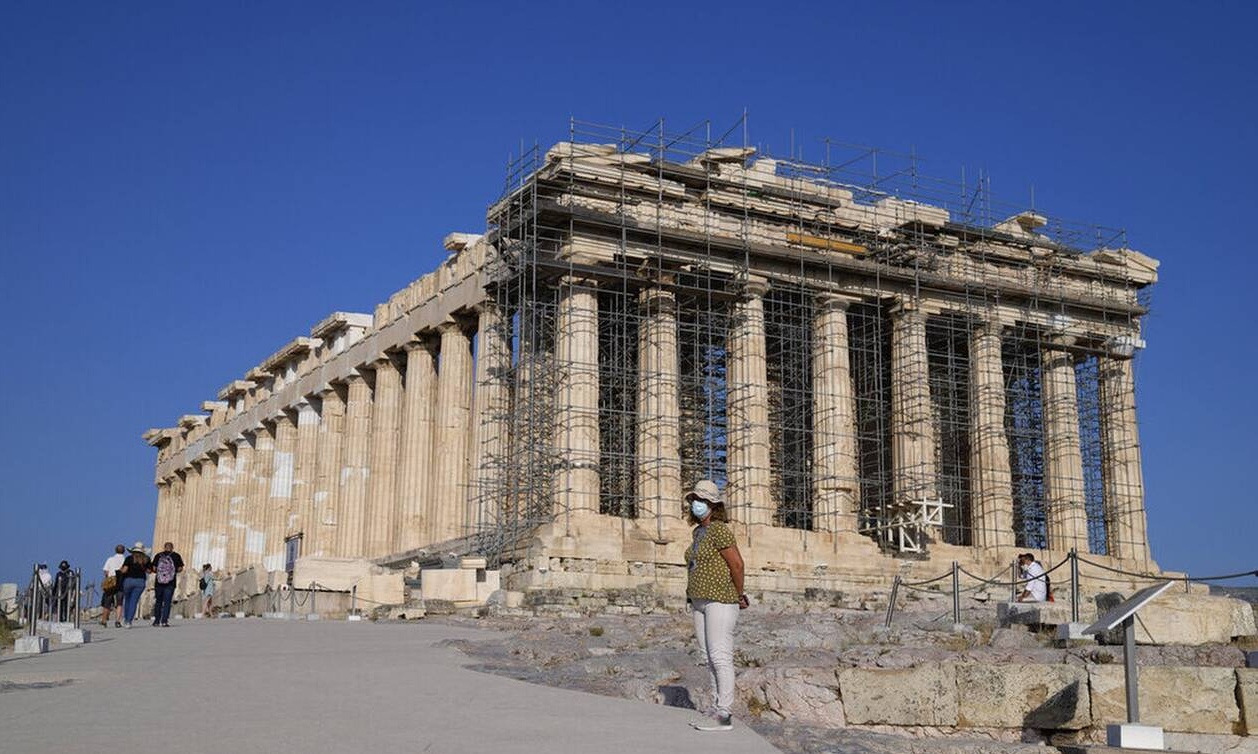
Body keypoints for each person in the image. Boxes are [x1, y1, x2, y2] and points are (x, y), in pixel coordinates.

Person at [683, 479, 748, 732]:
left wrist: (739, 593)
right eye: (694, 500)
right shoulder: (698, 532)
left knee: (721, 656)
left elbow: (737, 565)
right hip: (699, 600)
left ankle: (725, 714)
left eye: (702, 500)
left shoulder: (720, 529)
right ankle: (716, 706)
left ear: (713, 505)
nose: (696, 504)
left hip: (721, 599)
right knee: (707, 656)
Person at [150, 541, 184, 627]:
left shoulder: (158, 556)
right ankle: (164, 621)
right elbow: (180, 568)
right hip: (170, 583)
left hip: (159, 583)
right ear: (172, 548)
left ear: (164, 547)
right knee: (167, 602)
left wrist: (160, 573)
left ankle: (156, 621)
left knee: (158, 602)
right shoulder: (176, 556)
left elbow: (153, 568)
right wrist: (172, 572)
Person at [118, 543, 151, 628]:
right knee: (134, 601)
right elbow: (149, 571)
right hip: (140, 581)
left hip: (128, 581)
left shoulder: (129, 558)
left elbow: (124, 570)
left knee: (127, 600)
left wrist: (120, 570)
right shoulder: (146, 559)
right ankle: (129, 621)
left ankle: (125, 619)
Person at [101, 544, 126, 627]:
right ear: (124, 551)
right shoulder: (125, 560)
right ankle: (117, 621)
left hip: (111, 581)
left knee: (107, 602)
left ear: (115, 550)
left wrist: (108, 578)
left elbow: (105, 571)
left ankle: (104, 620)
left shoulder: (110, 559)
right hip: (121, 581)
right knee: (119, 603)